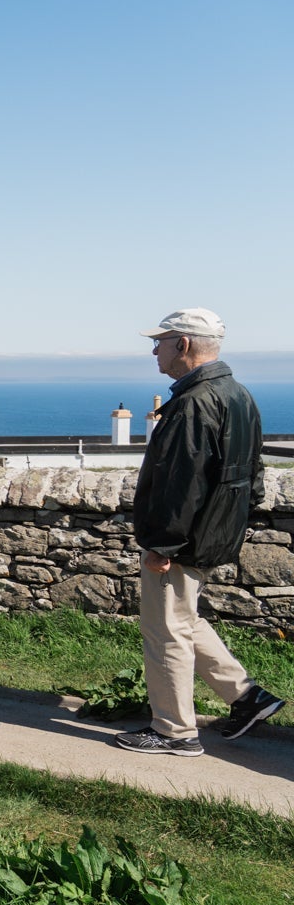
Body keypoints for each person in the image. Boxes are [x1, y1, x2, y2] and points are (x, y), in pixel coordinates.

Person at [116, 308, 285, 756]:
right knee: (184, 618)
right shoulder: (237, 394)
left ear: (184, 345)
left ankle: (174, 732)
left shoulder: (194, 401)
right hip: (213, 534)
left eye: (161, 341)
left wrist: (162, 545)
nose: (155, 350)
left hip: (183, 539)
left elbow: (179, 483)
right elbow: (254, 473)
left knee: (166, 630)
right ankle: (248, 698)